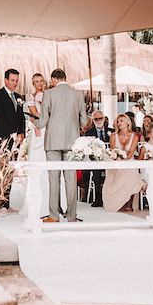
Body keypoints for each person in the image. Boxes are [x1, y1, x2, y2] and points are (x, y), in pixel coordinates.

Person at [37, 68, 88, 222]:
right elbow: (84, 121)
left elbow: (42, 122)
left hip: (53, 142)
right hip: (72, 142)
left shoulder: (49, 94)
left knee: (54, 179)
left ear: (53, 80)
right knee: (71, 180)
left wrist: (32, 120)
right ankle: (71, 216)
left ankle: (53, 216)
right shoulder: (78, 94)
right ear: (65, 78)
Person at [103, 114, 144, 213]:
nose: (119, 123)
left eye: (121, 121)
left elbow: (130, 154)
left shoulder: (134, 136)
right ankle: (119, 203)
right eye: (117, 121)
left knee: (130, 173)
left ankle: (127, 202)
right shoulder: (113, 136)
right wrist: (119, 158)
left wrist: (124, 157)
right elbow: (114, 152)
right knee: (118, 172)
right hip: (116, 162)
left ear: (127, 122)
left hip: (129, 162)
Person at [22, 73, 49, 218]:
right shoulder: (30, 97)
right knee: (37, 162)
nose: (39, 83)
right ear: (33, 83)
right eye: (36, 81)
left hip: (48, 130)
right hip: (39, 129)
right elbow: (35, 114)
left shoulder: (49, 95)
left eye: (40, 81)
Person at [84, 110, 113, 207]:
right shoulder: (89, 133)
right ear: (93, 120)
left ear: (104, 119)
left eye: (100, 118)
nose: (98, 121)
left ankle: (111, 197)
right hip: (95, 159)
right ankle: (98, 198)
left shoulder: (111, 131)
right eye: (96, 119)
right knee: (96, 171)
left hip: (109, 159)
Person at [0, 68, 26, 148]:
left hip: (17, 139)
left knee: (15, 160)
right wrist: (12, 134)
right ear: (5, 80)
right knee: (4, 160)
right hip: (4, 137)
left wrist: (22, 133)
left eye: (17, 80)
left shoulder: (18, 96)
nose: (15, 83)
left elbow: (21, 117)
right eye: (12, 80)